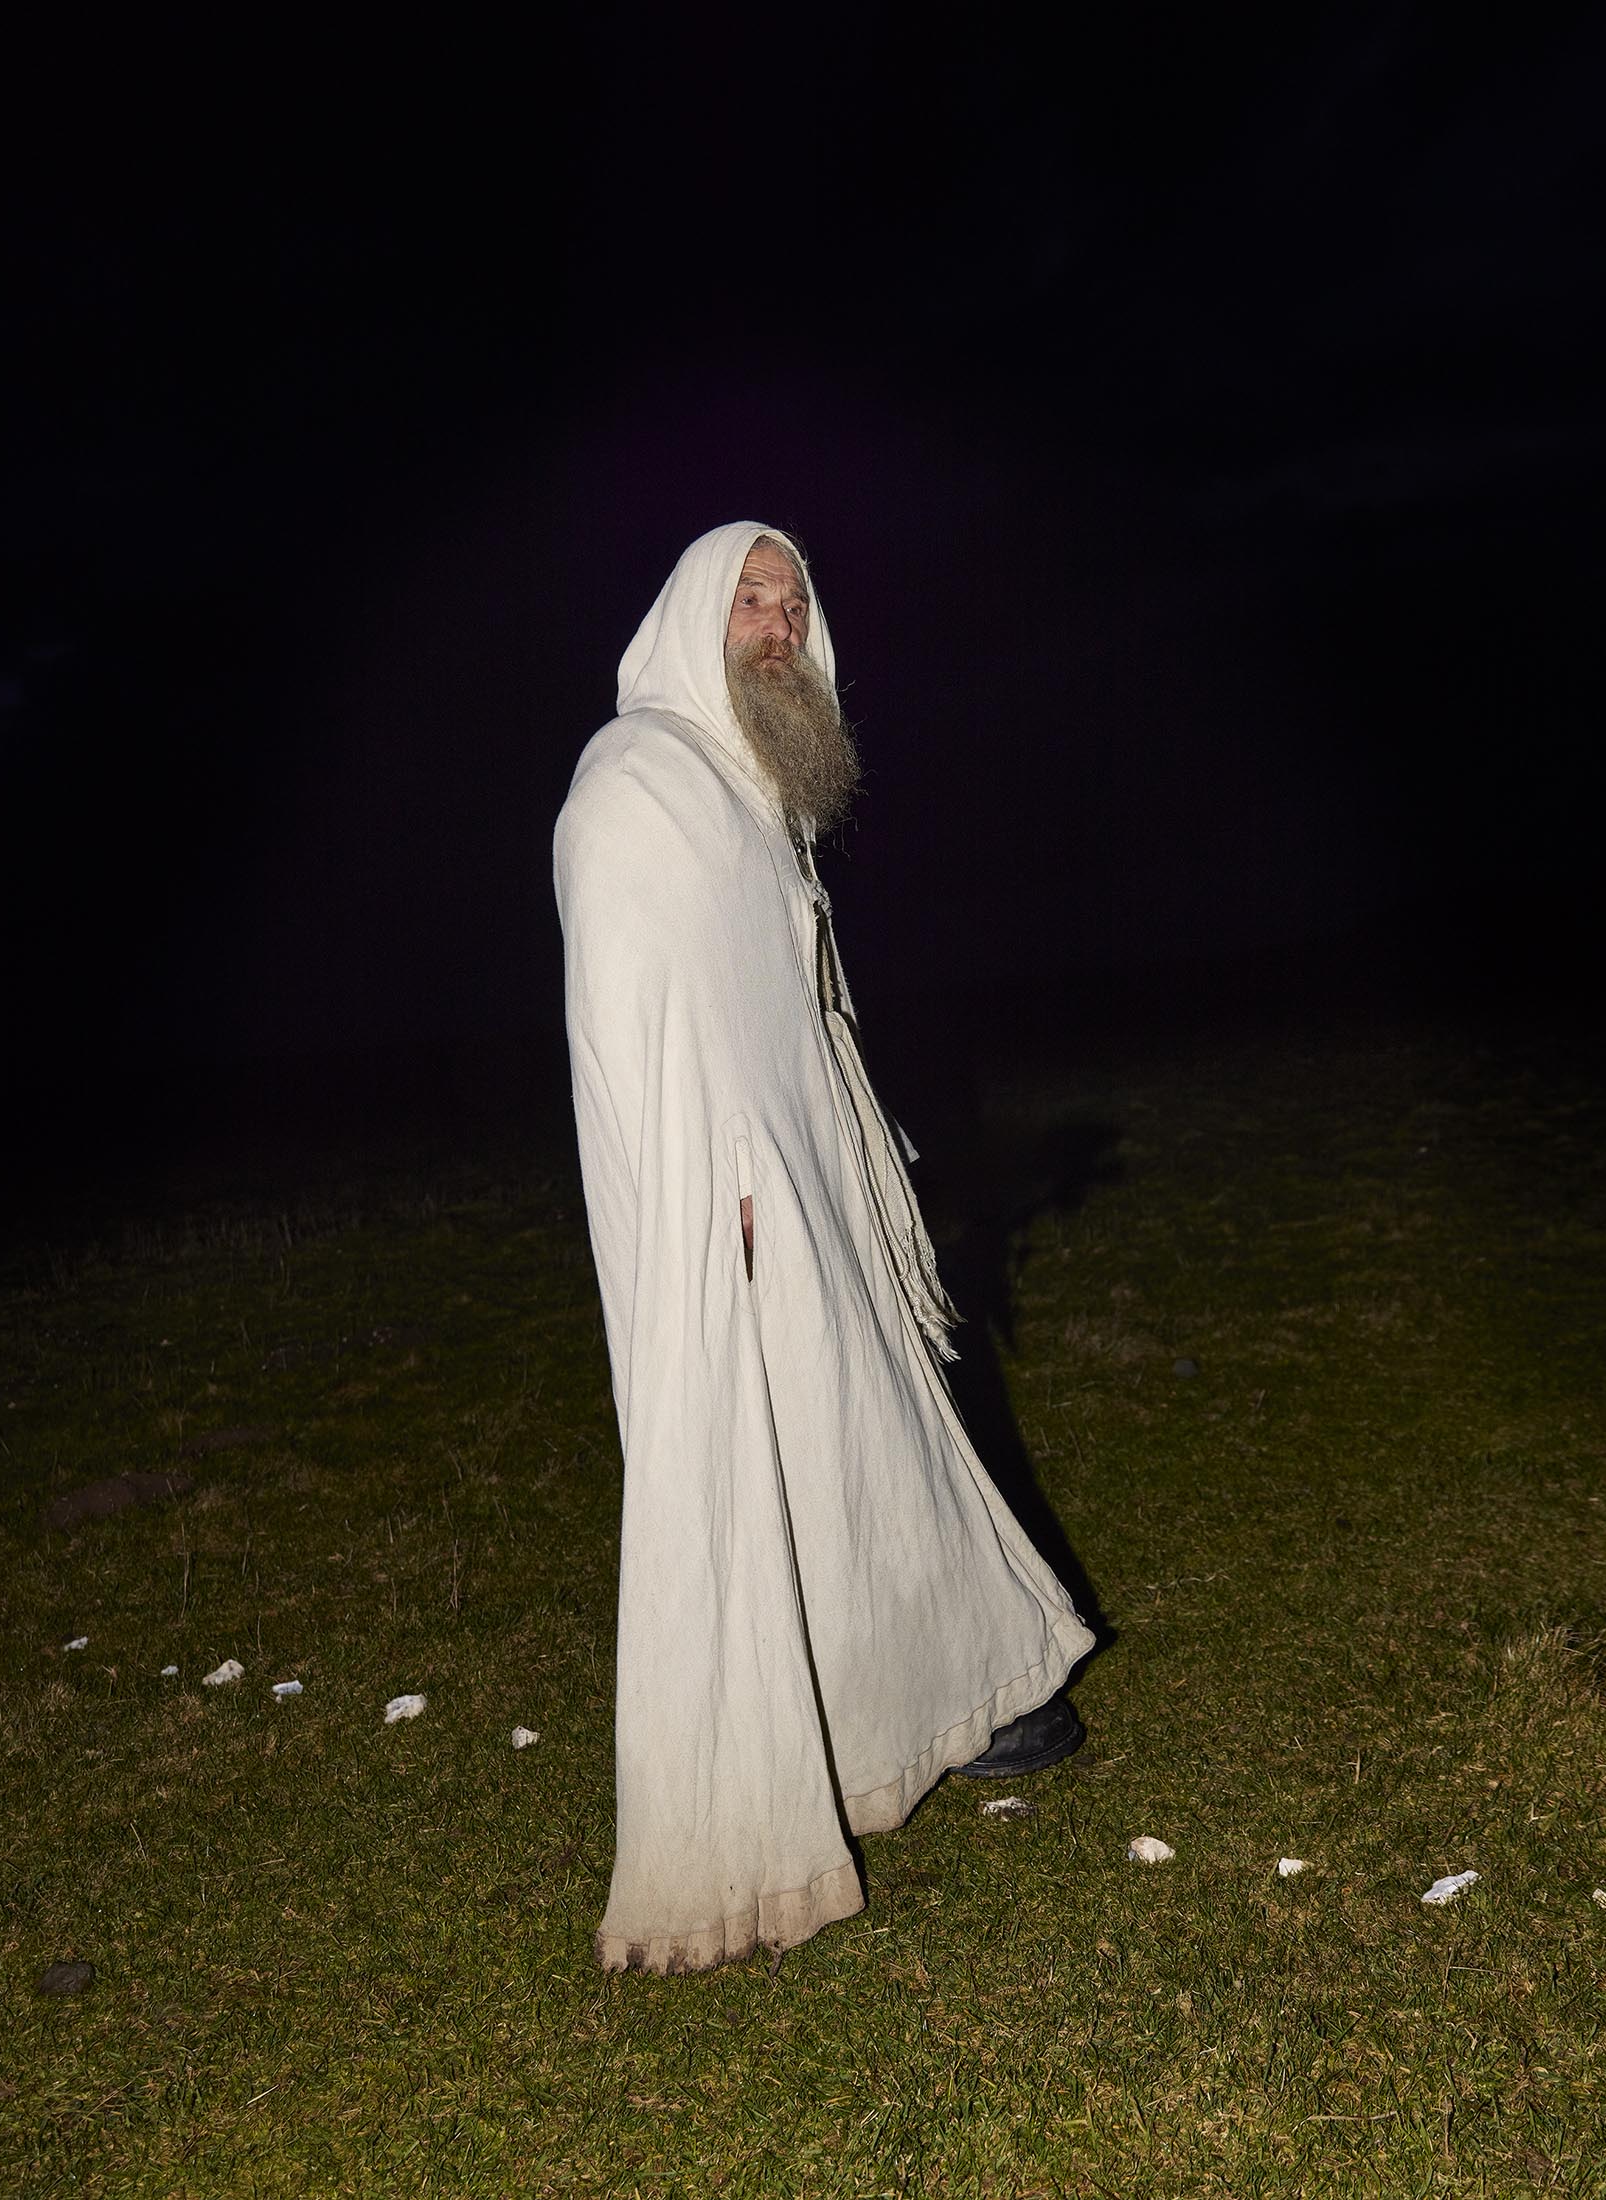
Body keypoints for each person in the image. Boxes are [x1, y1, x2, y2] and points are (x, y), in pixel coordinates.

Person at [553, 522, 1094, 1975]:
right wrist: (716, 1195)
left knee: (867, 1453)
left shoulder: (753, 794)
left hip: (807, 1183)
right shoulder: (637, 783)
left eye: (794, 600)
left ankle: (920, 1713)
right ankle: (762, 1807)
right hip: (726, 1208)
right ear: (688, 618)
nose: (777, 622)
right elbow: (635, 1028)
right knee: (769, 1475)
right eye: (748, 598)